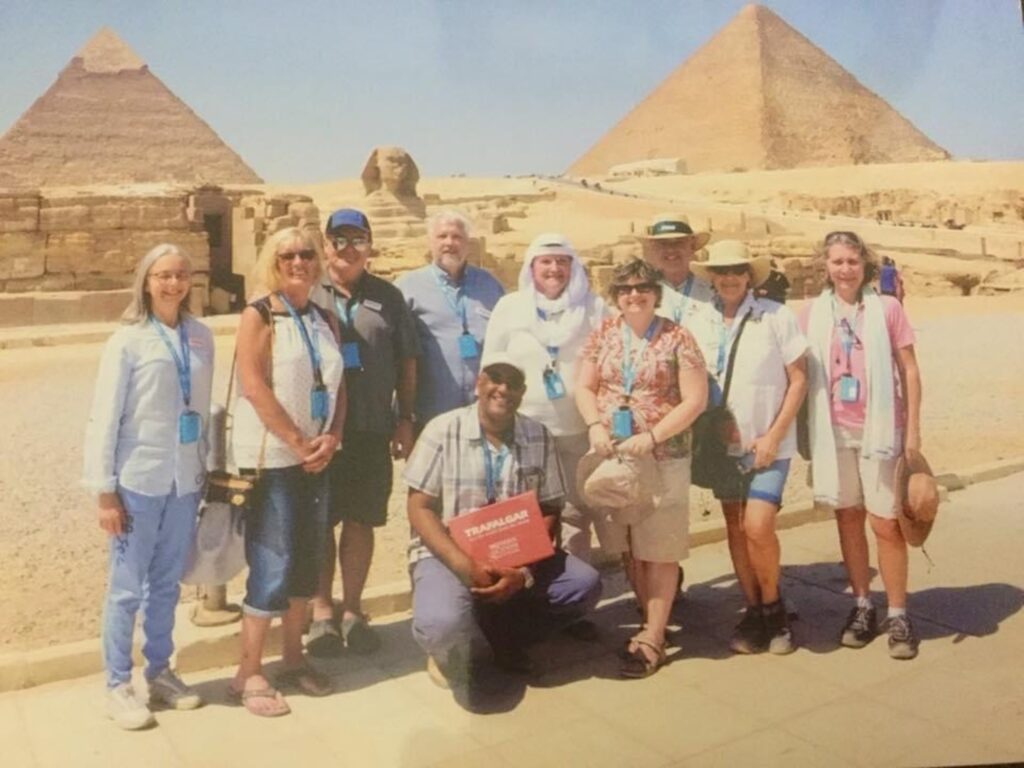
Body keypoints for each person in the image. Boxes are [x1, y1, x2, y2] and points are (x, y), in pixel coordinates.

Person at [404, 355, 602, 689]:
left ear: (522, 393)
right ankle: (447, 649)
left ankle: (506, 636)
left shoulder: (538, 435)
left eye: (513, 383)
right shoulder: (442, 429)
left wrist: (522, 571)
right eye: (495, 379)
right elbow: (419, 507)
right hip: (449, 554)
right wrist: (465, 565)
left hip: (515, 555)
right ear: (478, 385)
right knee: (441, 623)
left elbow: (550, 506)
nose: (503, 389)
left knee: (584, 585)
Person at [83, 243, 213, 729]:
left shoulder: (201, 337)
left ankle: (159, 672)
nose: (173, 284)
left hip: (183, 480)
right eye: (163, 275)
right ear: (146, 281)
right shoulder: (128, 341)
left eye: (180, 274)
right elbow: (105, 417)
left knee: (166, 584)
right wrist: (104, 490)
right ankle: (117, 684)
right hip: (138, 479)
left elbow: (202, 409)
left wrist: (208, 469)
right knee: (125, 588)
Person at [228, 226, 346, 716]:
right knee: (272, 562)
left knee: (306, 562)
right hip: (275, 459)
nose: (299, 262)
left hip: (317, 457)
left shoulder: (325, 317)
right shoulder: (258, 314)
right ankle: (248, 671)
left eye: (307, 254)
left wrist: (332, 436)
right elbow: (253, 386)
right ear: (271, 262)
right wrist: (298, 443)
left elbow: (340, 385)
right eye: (287, 255)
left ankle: (293, 658)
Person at [576, 259, 708, 678]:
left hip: (663, 455)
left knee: (660, 546)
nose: (634, 295)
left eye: (642, 287)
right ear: (615, 296)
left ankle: (653, 636)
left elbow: (695, 400)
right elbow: (585, 385)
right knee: (629, 542)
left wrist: (653, 436)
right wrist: (595, 424)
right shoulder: (603, 333)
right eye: (625, 289)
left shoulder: (678, 337)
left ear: (656, 292)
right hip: (615, 455)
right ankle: (649, 616)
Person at [799, 231, 924, 660]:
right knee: (848, 518)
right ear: (826, 266)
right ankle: (862, 605)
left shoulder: (887, 308)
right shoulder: (812, 313)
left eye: (852, 261)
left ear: (865, 264)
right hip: (833, 432)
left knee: (886, 523)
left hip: (880, 430)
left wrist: (913, 432)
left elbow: (909, 370)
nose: (845, 269)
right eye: (837, 262)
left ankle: (899, 613)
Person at [307, 209, 419, 657]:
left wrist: (405, 417)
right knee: (320, 522)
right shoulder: (307, 290)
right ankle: (321, 611)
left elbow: (407, 360)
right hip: (318, 431)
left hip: (370, 426)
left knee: (361, 520)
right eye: (339, 239)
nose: (347, 249)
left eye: (357, 240)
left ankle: (353, 610)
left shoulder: (388, 296)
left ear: (370, 245)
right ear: (325, 244)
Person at [689, 241, 808, 655]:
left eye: (737, 270)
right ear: (711, 277)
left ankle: (774, 607)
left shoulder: (775, 316)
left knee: (758, 526)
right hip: (722, 446)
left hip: (768, 443)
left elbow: (798, 380)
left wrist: (774, 435)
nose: (729, 278)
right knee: (736, 529)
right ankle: (754, 610)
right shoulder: (698, 320)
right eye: (721, 271)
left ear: (749, 275)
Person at [482, 233, 607, 563]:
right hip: (524, 428)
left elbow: (610, 361)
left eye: (562, 262)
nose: (554, 269)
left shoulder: (593, 307)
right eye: (546, 262)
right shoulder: (510, 307)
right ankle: (528, 585)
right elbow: (490, 366)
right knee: (524, 512)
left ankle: (574, 585)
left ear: (572, 267)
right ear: (532, 267)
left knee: (575, 512)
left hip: (577, 428)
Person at [395, 210, 504, 429]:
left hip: (483, 415)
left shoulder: (490, 286)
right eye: (442, 236)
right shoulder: (407, 288)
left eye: (457, 237)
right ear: (430, 242)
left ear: (468, 243)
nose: (449, 243)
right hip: (430, 417)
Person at [641, 213, 714, 330]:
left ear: (692, 246)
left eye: (678, 242)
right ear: (654, 248)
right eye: (663, 243)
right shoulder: (640, 293)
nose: (671, 249)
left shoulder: (712, 291)